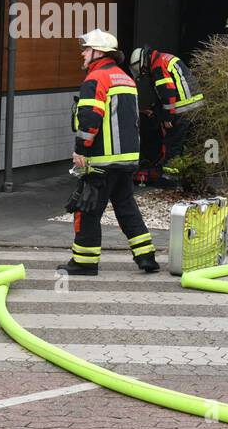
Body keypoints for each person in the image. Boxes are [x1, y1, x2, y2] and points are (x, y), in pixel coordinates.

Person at [61, 29, 160, 275]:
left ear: (98, 52)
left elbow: (90, 119)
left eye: (86, 49)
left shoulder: (96, 79)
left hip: (101, 161)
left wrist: (80, 150)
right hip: (126, 160)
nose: (82, 53)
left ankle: (84, 262)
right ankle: (146, 257)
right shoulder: (125, 78)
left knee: (88, 209)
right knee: (126, 207)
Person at [130, 45, 203, 181]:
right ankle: (188, 175)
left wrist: (168, 116)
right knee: (189, 142)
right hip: (194, 104)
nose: (144, 73)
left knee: (173, 142)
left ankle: (170, 177)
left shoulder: (158, 65)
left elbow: (167, 92)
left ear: (143, 62)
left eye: (141, 70)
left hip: (183, 107)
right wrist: (155, 110)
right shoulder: (164, 58)